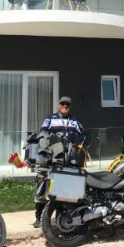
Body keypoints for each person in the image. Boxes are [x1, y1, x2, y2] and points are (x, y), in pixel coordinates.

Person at [33, 96, 84, 228]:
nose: (65, 106)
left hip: (68, 160)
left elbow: (83, 134)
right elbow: (43, 133)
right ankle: (39, 218)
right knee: (43, 186)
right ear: (58, 105)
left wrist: (78, 145)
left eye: (67, 104)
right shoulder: (50, 119)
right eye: (62, 104)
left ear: (70, 107)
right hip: (51, 158)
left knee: (64, 189)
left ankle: (61, 217)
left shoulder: (74, 120)